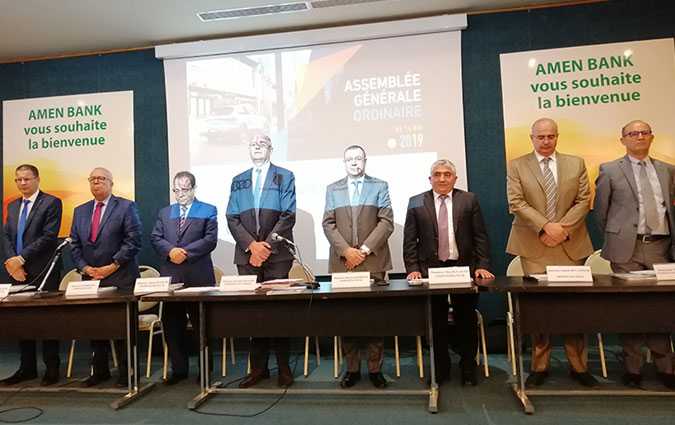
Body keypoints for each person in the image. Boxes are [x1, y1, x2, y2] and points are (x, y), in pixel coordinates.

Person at [506, 118, 596, 387]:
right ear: (531, 138)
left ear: (557, 137)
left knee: (573, 309)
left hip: (570, 243)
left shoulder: (576, 163)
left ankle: (579, 367)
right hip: (534, 244)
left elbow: (584, 200)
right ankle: (539, 366)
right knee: (540, 309)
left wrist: (561, 229)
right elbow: (516, 201)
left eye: (550, 136)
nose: (546, 141)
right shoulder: (517, 165)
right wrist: (545, 226)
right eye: (540, 137)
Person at [594, 120, 675, 390]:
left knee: (660, 308)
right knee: (630, 308)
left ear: (652, 137)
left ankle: (666, 367)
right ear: (623, 140)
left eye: (644, 132)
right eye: (632, 133)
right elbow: (601, 211)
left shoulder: (667, 170)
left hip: (660, 246)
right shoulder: (609, 170)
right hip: (625, 247)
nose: (639, 137)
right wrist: (617, 235)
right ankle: (633, 368)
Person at [403, 159, 494, 386]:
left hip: (464, 269)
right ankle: (441, 367)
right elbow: (409, 241)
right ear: (430, 178)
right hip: (430, 271)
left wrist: (483, 265)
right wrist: (413, 269)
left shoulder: (469, 200)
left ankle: (467, 367)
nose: (442, 178)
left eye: (447, 174)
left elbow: (480, 235)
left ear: (455, 178)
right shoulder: (416, 202)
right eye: (437, 174)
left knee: (466, 320)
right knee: (436, 321)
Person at [226, 134, 296, 388]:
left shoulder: (284, 176)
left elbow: (288, 215)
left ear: (271, 149)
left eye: (262, 144)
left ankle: (284, 369)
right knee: (252, 315)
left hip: (276, 255)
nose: (257, 148)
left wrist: (266, 245)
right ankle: (258, 369)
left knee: (279, 313)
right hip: (247, 257)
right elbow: (231, 216)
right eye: (253, 144)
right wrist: (251, 246)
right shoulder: (238, 180)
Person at [322, 145, 394, 389]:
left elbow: (386, 222)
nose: (354, 163)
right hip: (343, 264)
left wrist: (362, 251)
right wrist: (346, 252)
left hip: (372, 260)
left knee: (375, 319)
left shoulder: (380, 186)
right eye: (349, 159)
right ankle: (351, 369)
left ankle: (375, 370)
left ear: (365, 160)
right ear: (344, 163)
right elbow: (328, 224)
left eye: (358, 159)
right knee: (347, 319)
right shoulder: (333, 188)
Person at [70, 167, 142, 387]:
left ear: (111, 183)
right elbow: (74, 244)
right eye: (92, 179)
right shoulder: (80, 210)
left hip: (120, 276)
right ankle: (99, 371)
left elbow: (134, 240)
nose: (96, 182)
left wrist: (113, 265)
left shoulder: (126, 206)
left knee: (122, 328)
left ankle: (127, 373)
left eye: (101, 179)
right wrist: (85, 268)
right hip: (91, 277)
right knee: (95, 326)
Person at [151, 171, 218, 385]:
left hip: (199, 276)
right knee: (172, 326)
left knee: (202, 326)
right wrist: (171, 251)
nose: (180, 194)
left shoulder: (208, 209)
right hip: (172, 277)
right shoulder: (165, 212)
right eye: (176, 190)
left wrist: (185, 253)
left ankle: (205, 370)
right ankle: (178, 369)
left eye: (185, 189)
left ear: (194, 189)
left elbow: (210, 240)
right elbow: (156, 237)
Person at [0, 164, 62, 386]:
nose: (22, 183)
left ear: (37, 179)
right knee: (21, 320)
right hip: (17, 272)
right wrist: (11, 262)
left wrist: (21, 258)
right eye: (18, 180)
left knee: (48, 321)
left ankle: (52, 368)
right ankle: (26, 368)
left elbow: (48, 237)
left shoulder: (51, 202)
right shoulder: (13, 205)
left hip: (43, 270)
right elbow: (6, 235)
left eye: (26, 179)